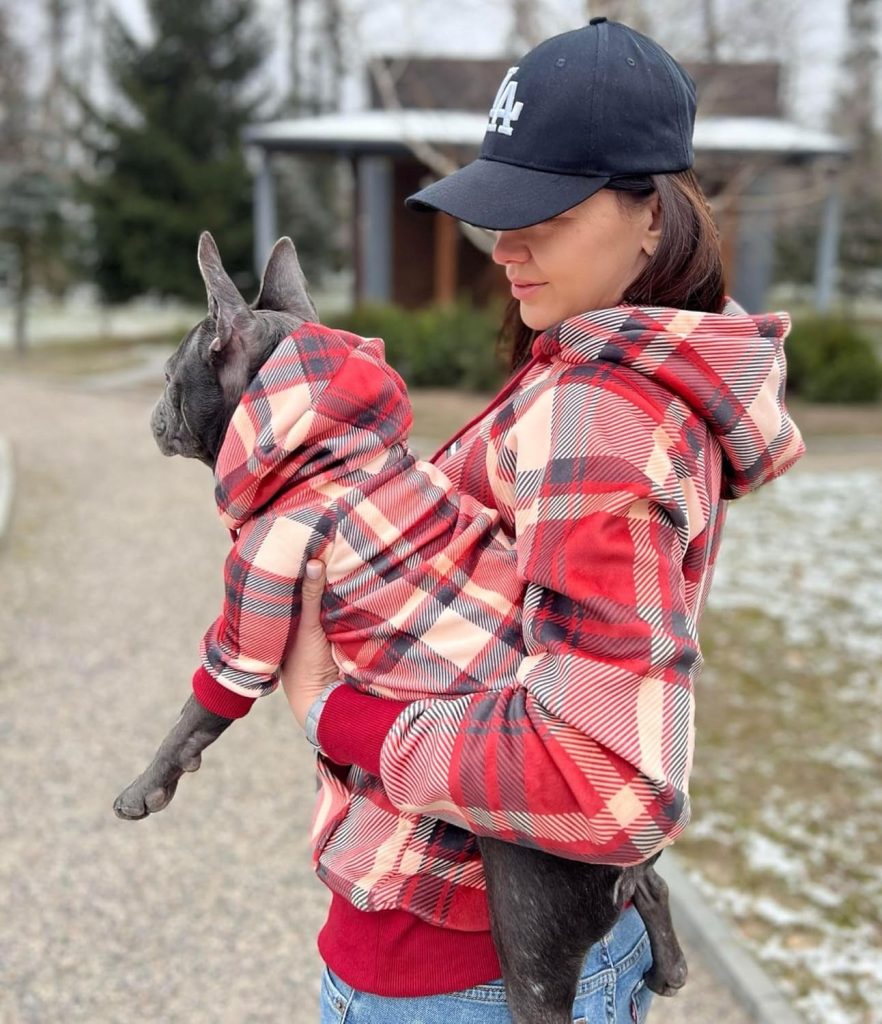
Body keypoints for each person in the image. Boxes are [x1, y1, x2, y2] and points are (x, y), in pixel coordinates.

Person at [279, 17, 805, 1024]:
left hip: (468, 971)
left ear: (650, 215)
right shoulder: (594, 368)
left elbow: (610, 778)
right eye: (497, 210)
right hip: (487, 945)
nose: (504, 246)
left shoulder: (599, 411)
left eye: (546, 213)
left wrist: (330, 712)